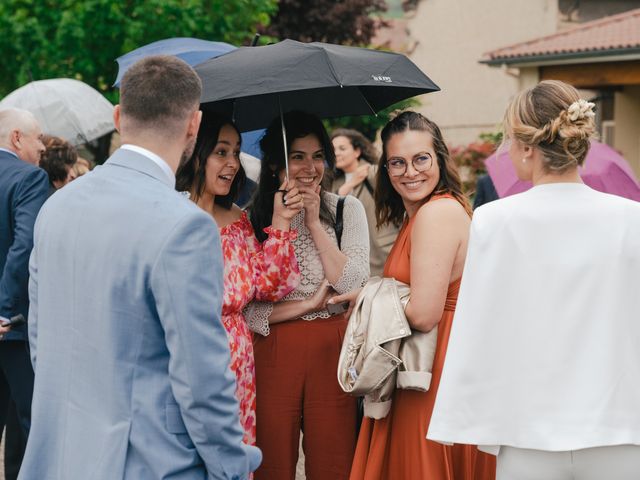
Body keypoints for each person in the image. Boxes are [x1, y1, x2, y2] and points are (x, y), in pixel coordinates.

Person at [20, 56, 261, 480]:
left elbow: (43, 344)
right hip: (149, 462)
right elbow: (201, 378)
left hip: (60, 455)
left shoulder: (57, 206)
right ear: (193, 124)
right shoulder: (186, 225)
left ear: (118, 116)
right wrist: (231, 467)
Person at [427, 80, 640, 479]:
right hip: (621, 424)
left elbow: (478, 327)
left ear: (527, 148)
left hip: (528, 428)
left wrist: (464, 417)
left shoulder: (494, 220)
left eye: (510, 140)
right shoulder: (633, 220)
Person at [333, 111, 495, 479]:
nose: (410, 172)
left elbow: (423, 313)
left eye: (421, 159)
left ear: (439, 158)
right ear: (386, 169)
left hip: (433, 370)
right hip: (430, 362)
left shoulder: (436, 214)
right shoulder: (422, 213)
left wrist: (370, 299)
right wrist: (368, 292)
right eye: (397, 163)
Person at [246, 111, 370, 480]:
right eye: (296, 156)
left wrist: (315, 222)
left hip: (332, 348)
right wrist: (308, 304)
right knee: (272, 461)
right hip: (273, 349)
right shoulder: (251, 219)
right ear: (273, 166)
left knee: (334, 460)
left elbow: (351, 284)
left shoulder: (348, 209)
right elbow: (251, 310)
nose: (309, 167)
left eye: (318, 155)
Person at [175, 112, 303, 446]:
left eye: (236, 152)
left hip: (238, 360)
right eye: (221, 151)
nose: (233, 163)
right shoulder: (170, 216)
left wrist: (281, 220)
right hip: (188, 355)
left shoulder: (237, 219)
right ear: (195, 153)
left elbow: (270, 285)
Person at [0, 108, 48, 480]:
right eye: (38, 140)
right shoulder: (29, 178)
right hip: (12, 326)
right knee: (34, 425)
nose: (42, 148)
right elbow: (25, 245)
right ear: (17, 138)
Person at [331, 128, 398, 276]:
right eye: (333, 149)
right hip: (352, 254)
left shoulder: (373, 173)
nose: (336, 153)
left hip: (381, 250)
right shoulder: (335, 182)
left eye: (342, 148)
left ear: (357, 151)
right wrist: (349, 185)